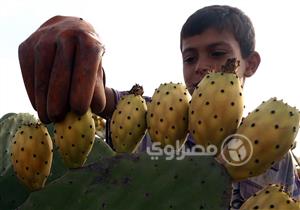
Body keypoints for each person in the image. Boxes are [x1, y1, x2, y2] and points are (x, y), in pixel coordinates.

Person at [18, 5, 300, 209]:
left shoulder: (276, 154)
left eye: (217, 53)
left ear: (250, 64)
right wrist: (78, 35)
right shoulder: (156, 114)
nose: (201, 66)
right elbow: (100, 97)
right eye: (190, 58)